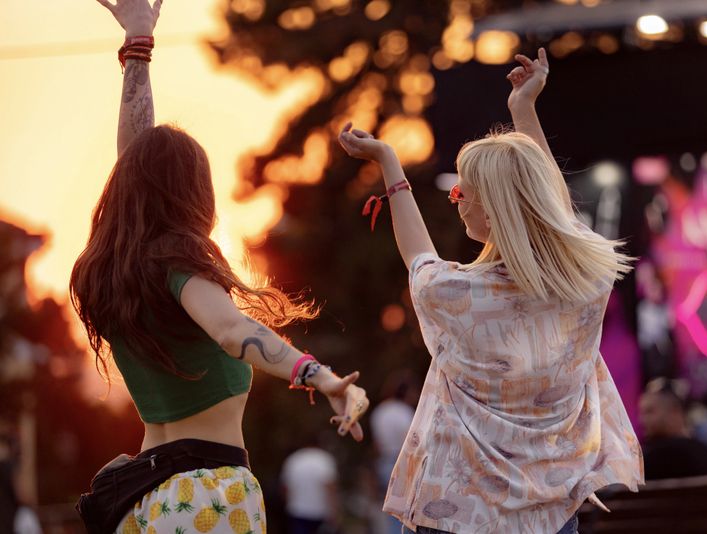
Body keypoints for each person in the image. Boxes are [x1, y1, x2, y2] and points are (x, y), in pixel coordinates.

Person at [71, 1, 368, 532]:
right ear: (196, 192)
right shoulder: (180, 258)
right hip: (208, 495)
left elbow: (135, 163)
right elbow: (231, 330)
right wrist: (323, 378)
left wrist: (138, 48)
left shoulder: (117, 270)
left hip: (143, 500)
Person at [338, 48, 643, 534]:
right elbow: (556, 213)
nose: (456, 202)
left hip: (460, 513)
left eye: (461, 193)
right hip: (552, 514)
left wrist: (388, 162)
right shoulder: (589, 280)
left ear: (493, 207)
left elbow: (418, 254)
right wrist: (524, 111)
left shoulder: (459, 294)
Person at [638, 379, 707, 480]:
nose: (642, 420)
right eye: (642, 413)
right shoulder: (705, 454)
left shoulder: (647, 460)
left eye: (650, 412)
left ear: (675, 412)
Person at [370, 371, 419, 534]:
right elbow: (411, 442)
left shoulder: (380, 411)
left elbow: (377, 444)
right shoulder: (405, 412)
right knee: (405, 511)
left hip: (384, 462)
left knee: (391, 510)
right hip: (403, 462)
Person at [281, 439, 339, 534]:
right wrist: (334, 512)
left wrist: (289, 504)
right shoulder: (324, 459)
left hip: (298, 511)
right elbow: (330, 488)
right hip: (320, 512)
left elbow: (285, 488)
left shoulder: (293, 459)